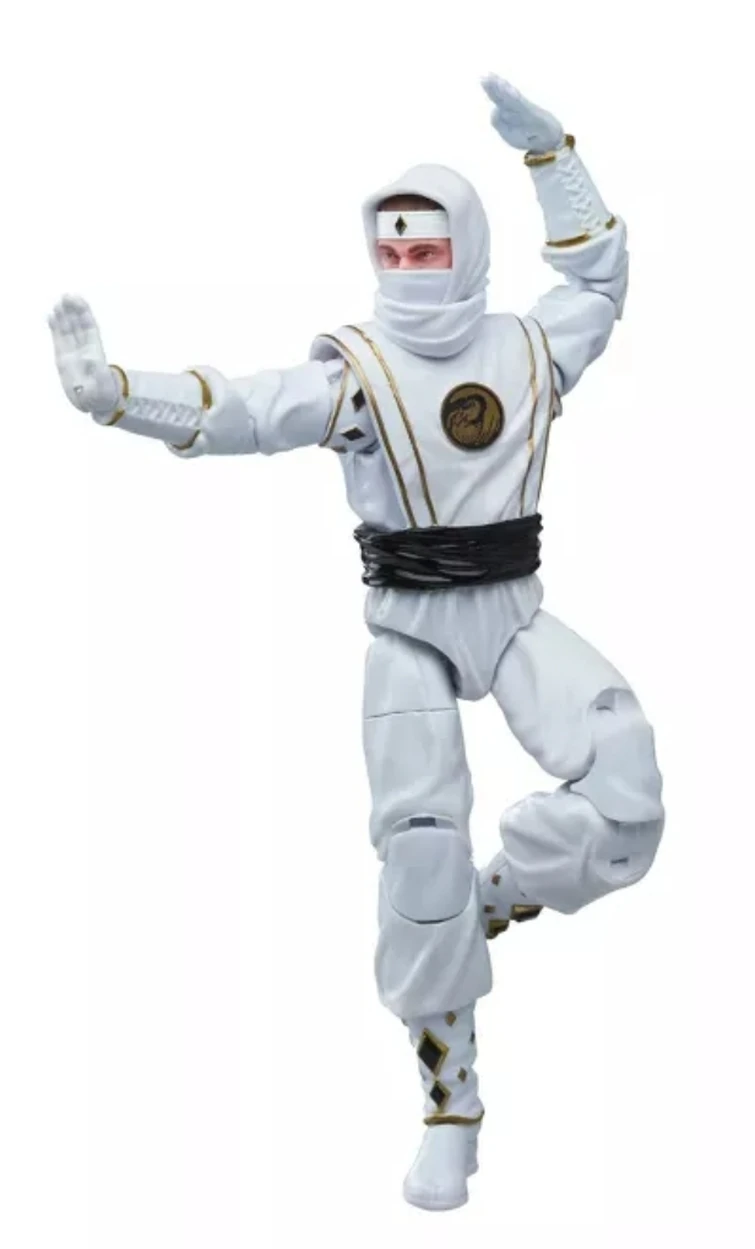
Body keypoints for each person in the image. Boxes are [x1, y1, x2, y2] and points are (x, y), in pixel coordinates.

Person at [48, 74, 664, 1212]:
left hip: (514, 610)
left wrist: (552, 156)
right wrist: (116, 394)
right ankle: (450, 1107)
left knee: (626, 794)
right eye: (393, 252)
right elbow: (241, 408)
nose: (409, 268)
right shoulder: (360, 373)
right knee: (417, 860)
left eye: (428, 250)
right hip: (409, 633)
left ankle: (492, 898)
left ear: (465, 250)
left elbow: (597, 280)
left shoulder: (528, 351)